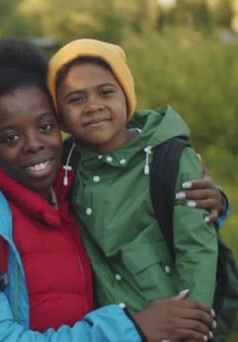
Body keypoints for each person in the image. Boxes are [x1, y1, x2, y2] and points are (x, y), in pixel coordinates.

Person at [0, 38, 216, 342]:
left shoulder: (69, 178)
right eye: (10, 138)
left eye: (45, 127)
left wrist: (211, 200)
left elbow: (175, 229)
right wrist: (132, 328)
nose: (33, 144)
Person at [47, 37, 219, 320]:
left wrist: (193, 324)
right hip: (106, 329)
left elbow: (197, 249)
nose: (92, 106)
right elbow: (3, 164)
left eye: (105, 92)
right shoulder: (64, 162)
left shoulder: (170, 157)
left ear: (126, 97)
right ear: (60, 115)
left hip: (170, 323)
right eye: (75, 99)